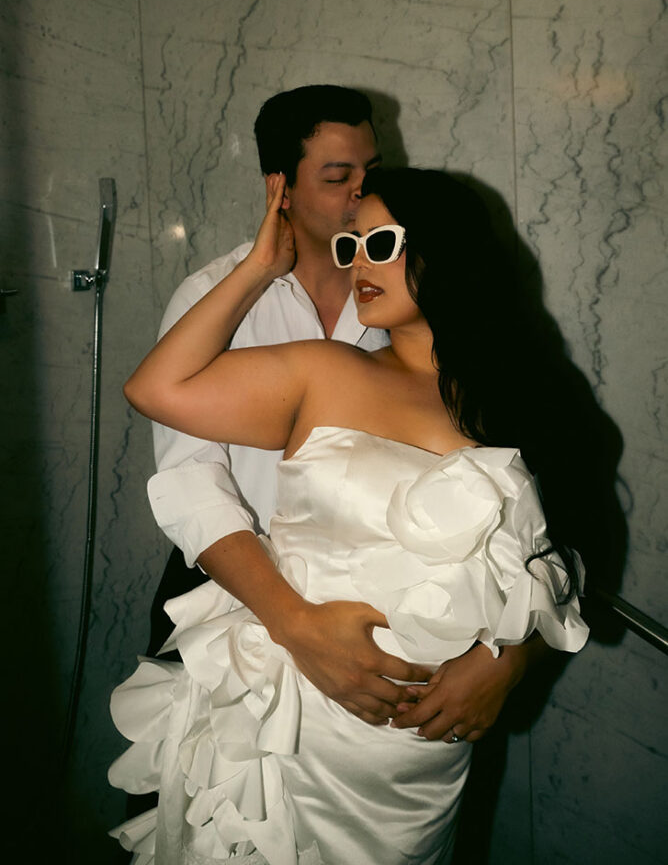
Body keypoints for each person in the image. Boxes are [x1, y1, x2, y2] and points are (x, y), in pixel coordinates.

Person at [109, 167, 589, 865]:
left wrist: (509, 663)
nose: (359, 260)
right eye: (351, 244)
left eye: (381, 242)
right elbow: (155, 387)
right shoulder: (327, 371)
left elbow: (568, 561)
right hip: (293, 729)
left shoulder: (526, 395)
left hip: (416, 764)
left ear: (446, 249)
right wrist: (257, 268)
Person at [144, 85, 538, 734]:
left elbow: (529, 507)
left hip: (396, 646)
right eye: (338, 177)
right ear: (283, 189)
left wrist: (512, 654)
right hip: (239, 600)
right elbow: (189, 480)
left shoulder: (417, 301)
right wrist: (292, 621)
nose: (360, 193)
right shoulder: (212, 296)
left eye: (371, 174)